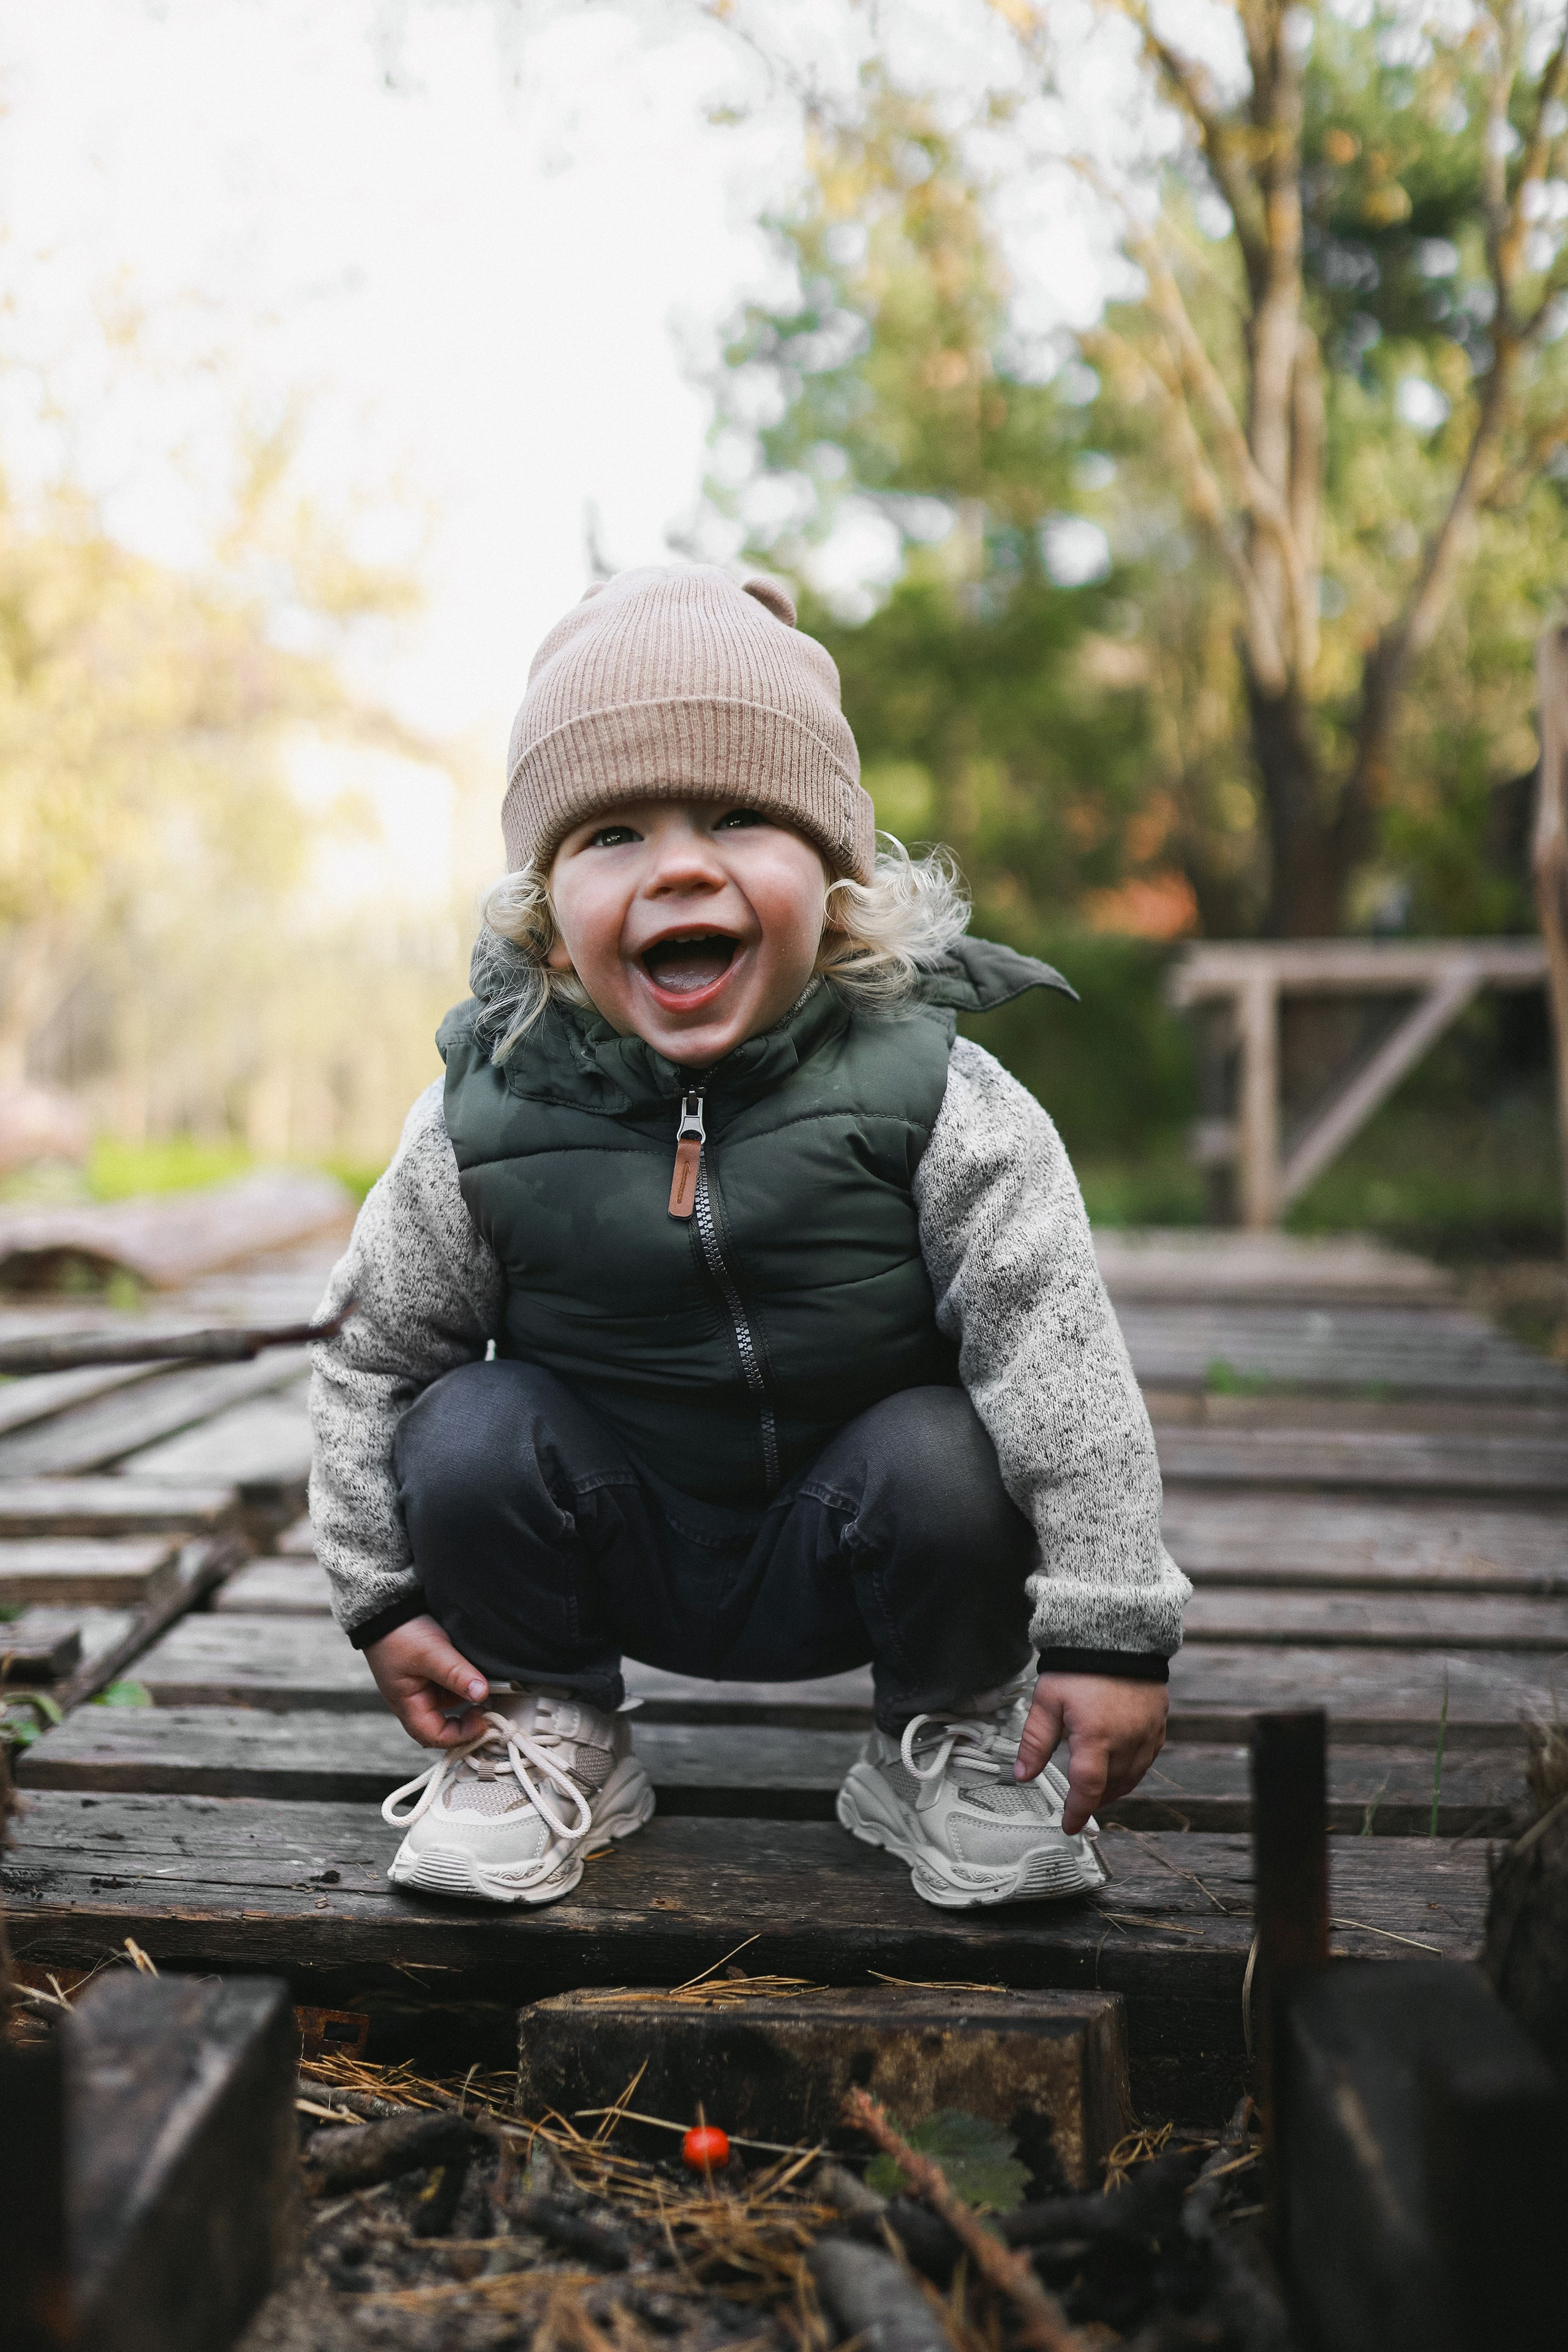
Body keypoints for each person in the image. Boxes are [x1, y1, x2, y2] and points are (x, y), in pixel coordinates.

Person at [308, 565, 1189, 1912]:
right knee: (467, 1423)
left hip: (860, 1546)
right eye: (609, 835)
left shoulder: (940, 1096)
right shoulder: (482, 1116)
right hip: (607, 1542)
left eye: (736, 816)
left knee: (955, 1437)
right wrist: (379, 1598)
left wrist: (1109, 1625)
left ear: (834, 880)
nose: (676, 865)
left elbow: (1054, 1347)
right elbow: (369, 1353)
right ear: (546, 914)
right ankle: (547, 1732)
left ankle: (942, 1737)